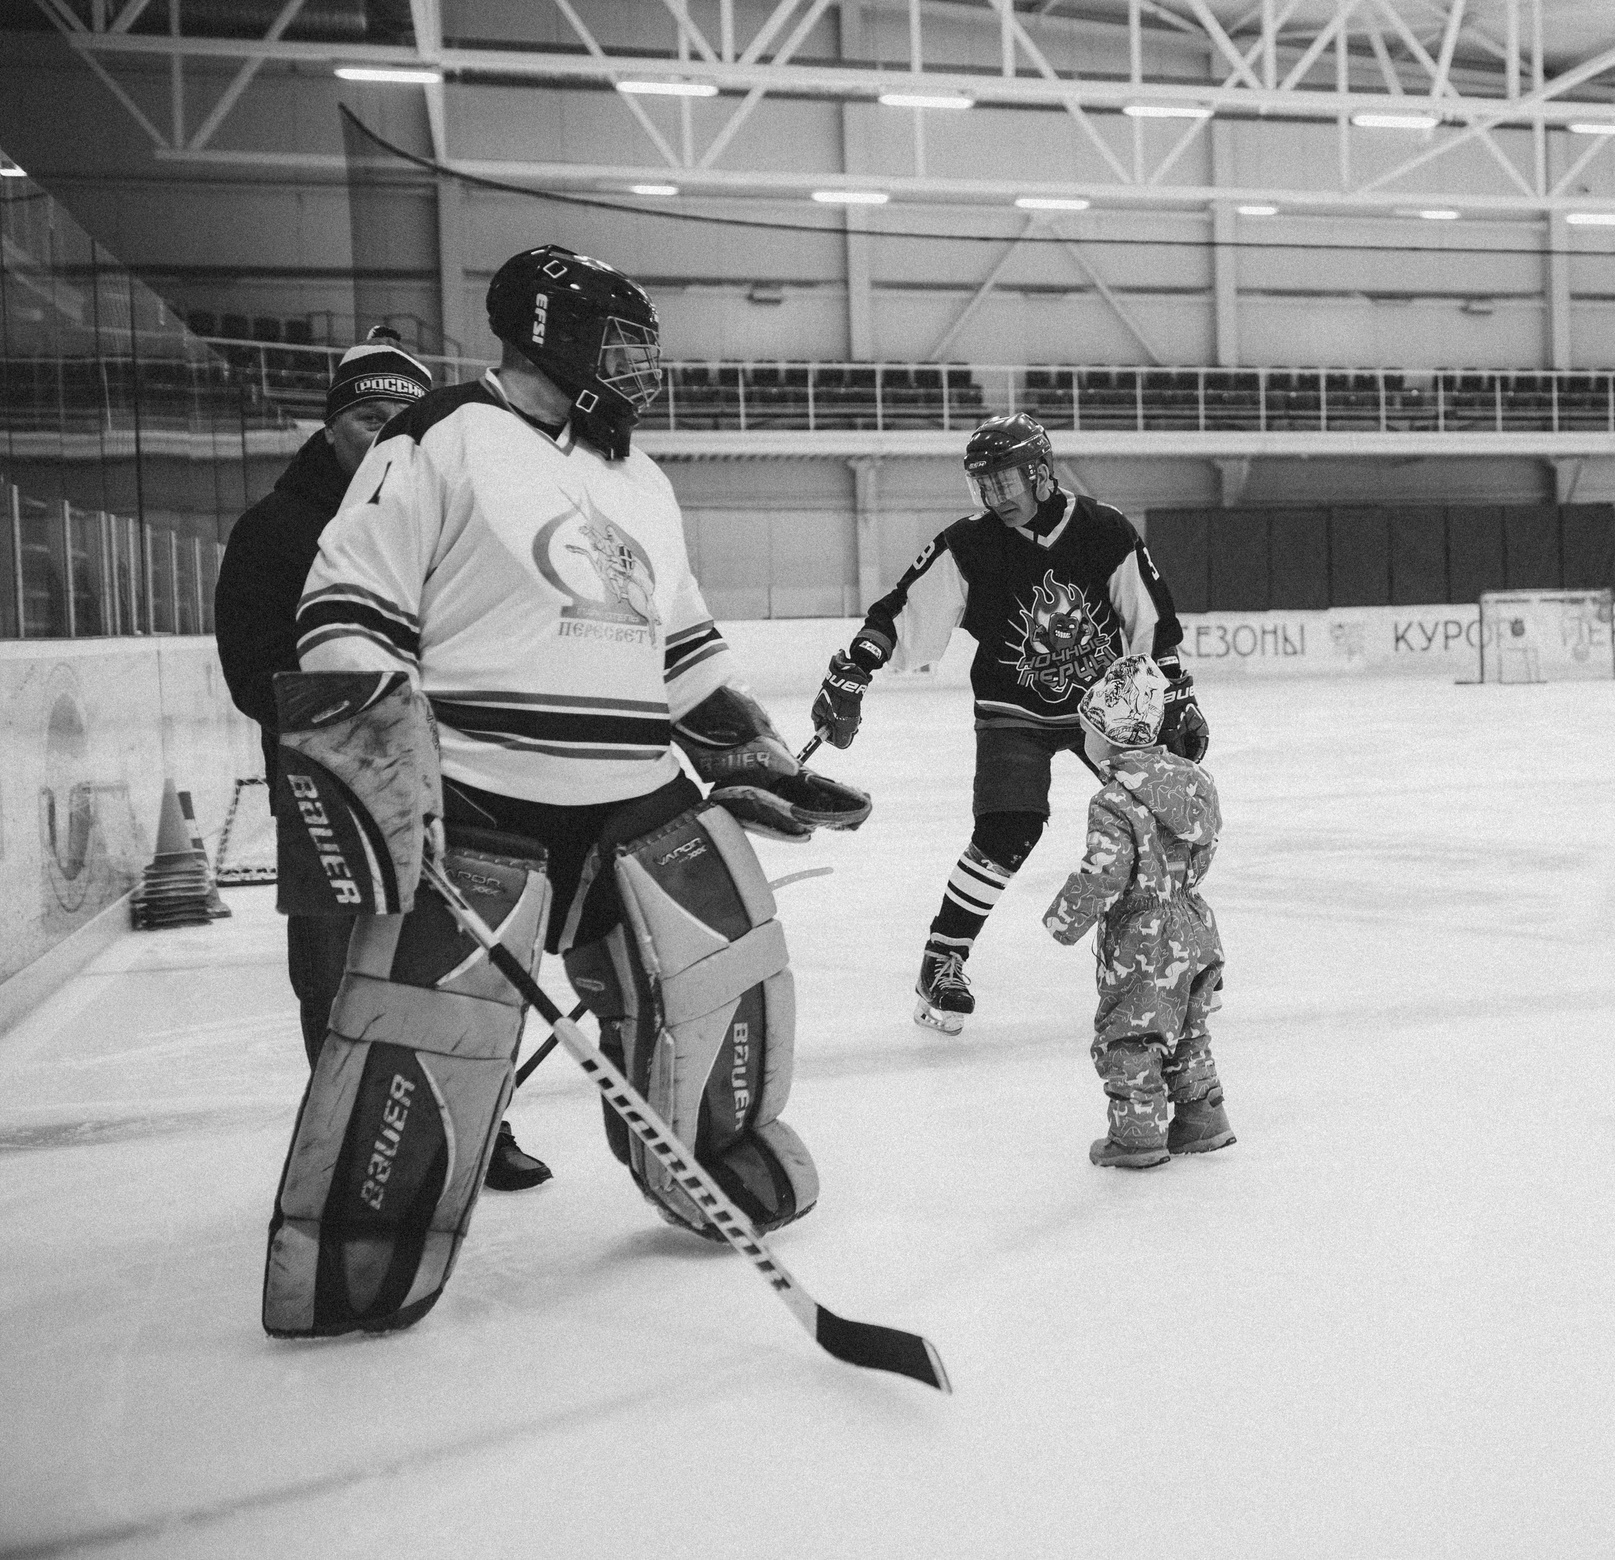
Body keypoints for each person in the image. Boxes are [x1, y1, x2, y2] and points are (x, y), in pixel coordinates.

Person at [260, 245, 869, 1339]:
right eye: (621, 346)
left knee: (721, 971)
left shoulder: (640, 479)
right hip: (483, 791)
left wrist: (754, 755)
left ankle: (714, 1154)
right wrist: (386, 786)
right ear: (550, 333)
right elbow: (347, 612)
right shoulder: (441, 435)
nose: (641, 369)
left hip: (637, 793)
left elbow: (682, 655)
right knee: (428, 1023)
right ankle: (363, 1234)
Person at [213, 330, 553, 1191]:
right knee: (336, 978)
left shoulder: (444, 515)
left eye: (401, 420)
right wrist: (361, 722)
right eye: (369, 418)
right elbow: (253, 668)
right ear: (332, 425)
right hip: (328, 788)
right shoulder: (274, 530)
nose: (384, 434)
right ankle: (347, 1145)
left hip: (451, 783)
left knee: (449, 965)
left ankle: (475, 1131)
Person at [808, 414, 1208, 1036]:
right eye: (983, 485)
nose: (995, 497)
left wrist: (1175, 692)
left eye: (1005, 481)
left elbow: (1150, 617)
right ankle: (942, 962)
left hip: (1107, 704)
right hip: (1011, 711)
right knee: (1007, 830)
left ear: (1041, 474)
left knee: (1160, 818)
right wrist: (854, 668)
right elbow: (900, 611)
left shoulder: (1103, 529)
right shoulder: (970, 544)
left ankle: (1177, 952)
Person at [1042, 655, 1233, 1169]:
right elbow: (1205, 845)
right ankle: (1202, 1117)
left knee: (1131, 1032)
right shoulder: (1194, 784)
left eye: (1087, 729)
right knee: (1189, 1027)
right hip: (1195, 924)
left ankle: (1138, 1137)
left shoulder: (1113, 800)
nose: (1083, 738)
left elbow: (1106, 871)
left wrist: (1066, 918)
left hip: (1142, 937)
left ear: (1108, 737)